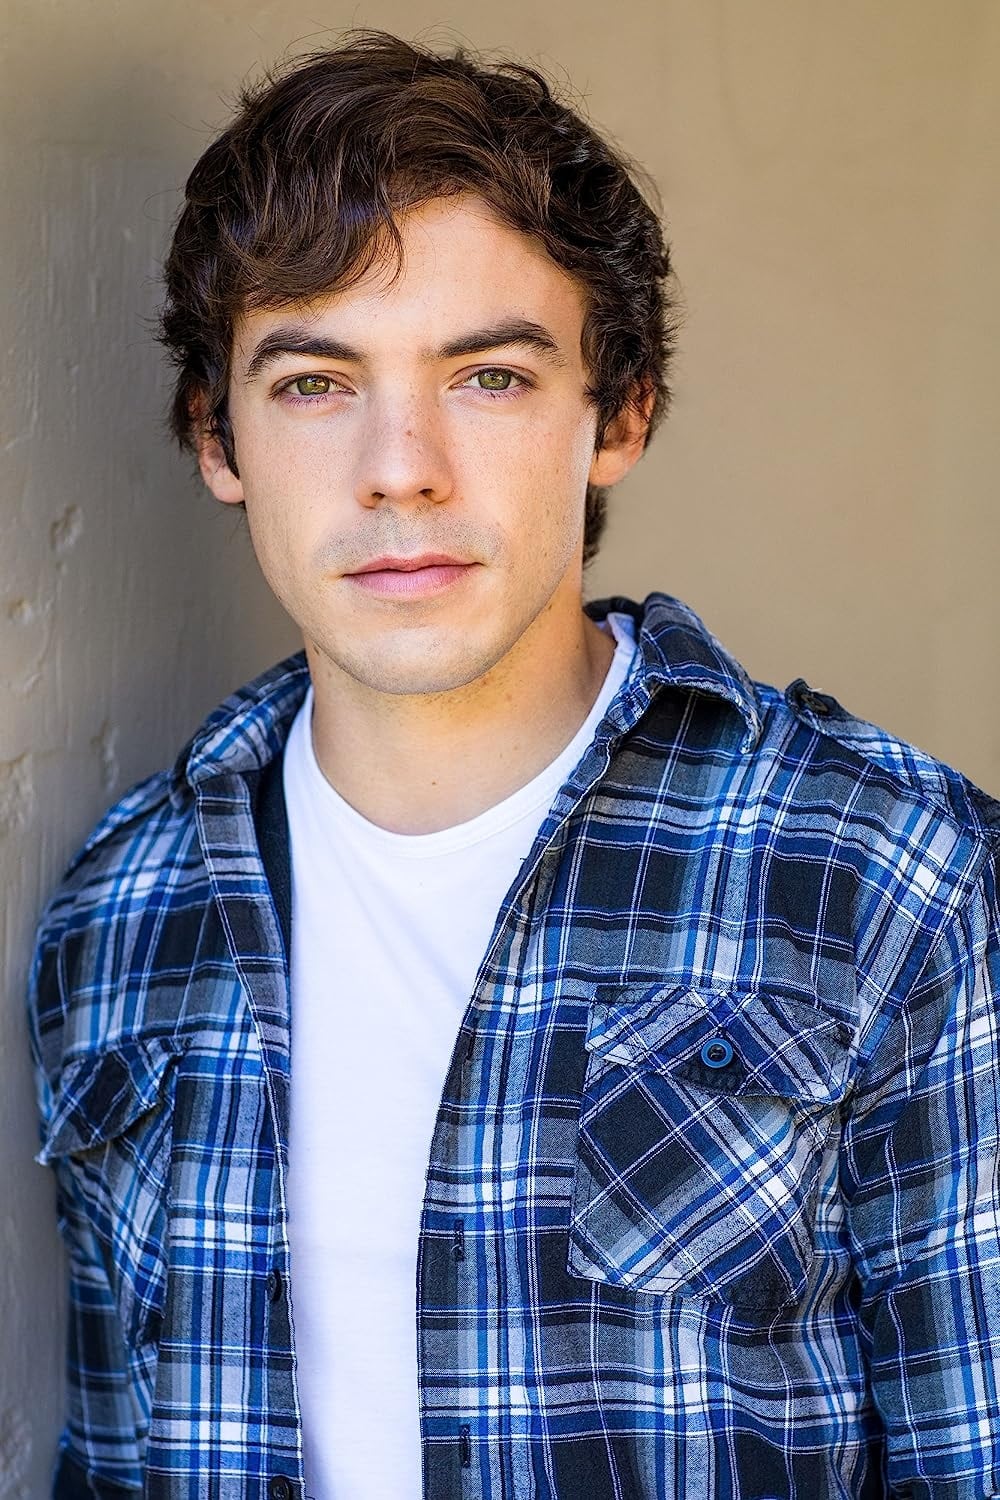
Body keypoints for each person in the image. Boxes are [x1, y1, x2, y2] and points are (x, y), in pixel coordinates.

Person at [26, 29, 1000, 1500]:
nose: (401, 465)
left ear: (619, 414)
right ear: (216, 439)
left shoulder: (888, 877)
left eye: (487, 375)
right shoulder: (121, 917)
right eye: (313, 383)